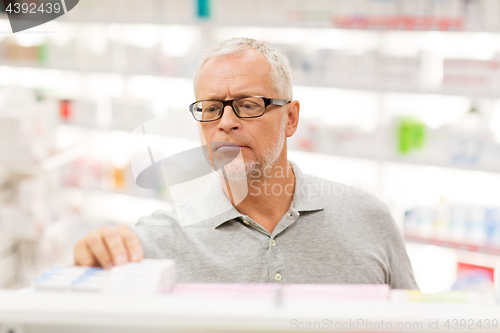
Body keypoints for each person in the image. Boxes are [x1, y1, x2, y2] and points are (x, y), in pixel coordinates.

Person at [74, 37, 418, 289]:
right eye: (210, 108)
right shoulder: (159, 241)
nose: (225, 122)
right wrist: (95, 256)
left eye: (248, 104)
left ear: (291, 118)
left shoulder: (368, 219)